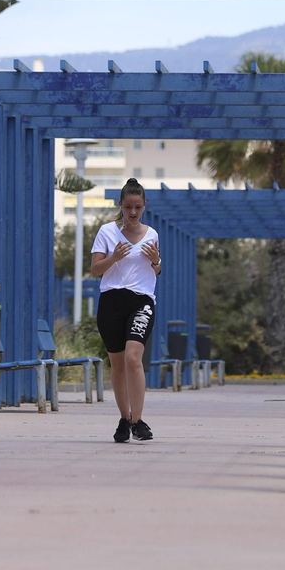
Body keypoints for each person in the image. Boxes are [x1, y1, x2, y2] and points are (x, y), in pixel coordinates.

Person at [91, 177, 161, 443]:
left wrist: (156, 261)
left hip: (141, 302)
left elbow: (156, 269)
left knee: (134, 358)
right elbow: (96, 270)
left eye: (138, 207)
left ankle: (139, 420)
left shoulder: (152, 233)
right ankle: (125, 418)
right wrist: (115, 257)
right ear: (120, 204)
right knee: (118, 364)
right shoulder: (107, 232)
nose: (133, 212)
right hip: (111, 303)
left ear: (144, 206)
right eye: (129, 206)